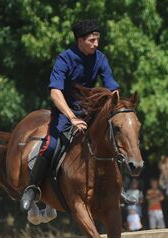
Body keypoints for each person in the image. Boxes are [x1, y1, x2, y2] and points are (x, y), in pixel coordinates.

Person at [20, 19, 135, 211]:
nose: (96, 44)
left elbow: (112, 87)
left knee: (111, 139)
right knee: (51, 145)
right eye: (92, 40)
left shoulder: (100, 58)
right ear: (80, 40)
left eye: (97, 40)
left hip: (91, 113)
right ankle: (32, 188)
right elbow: (55, 92)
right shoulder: (64, 59)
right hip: (65, 112)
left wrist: (116, 108)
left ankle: (118, 189)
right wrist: (72, 117)